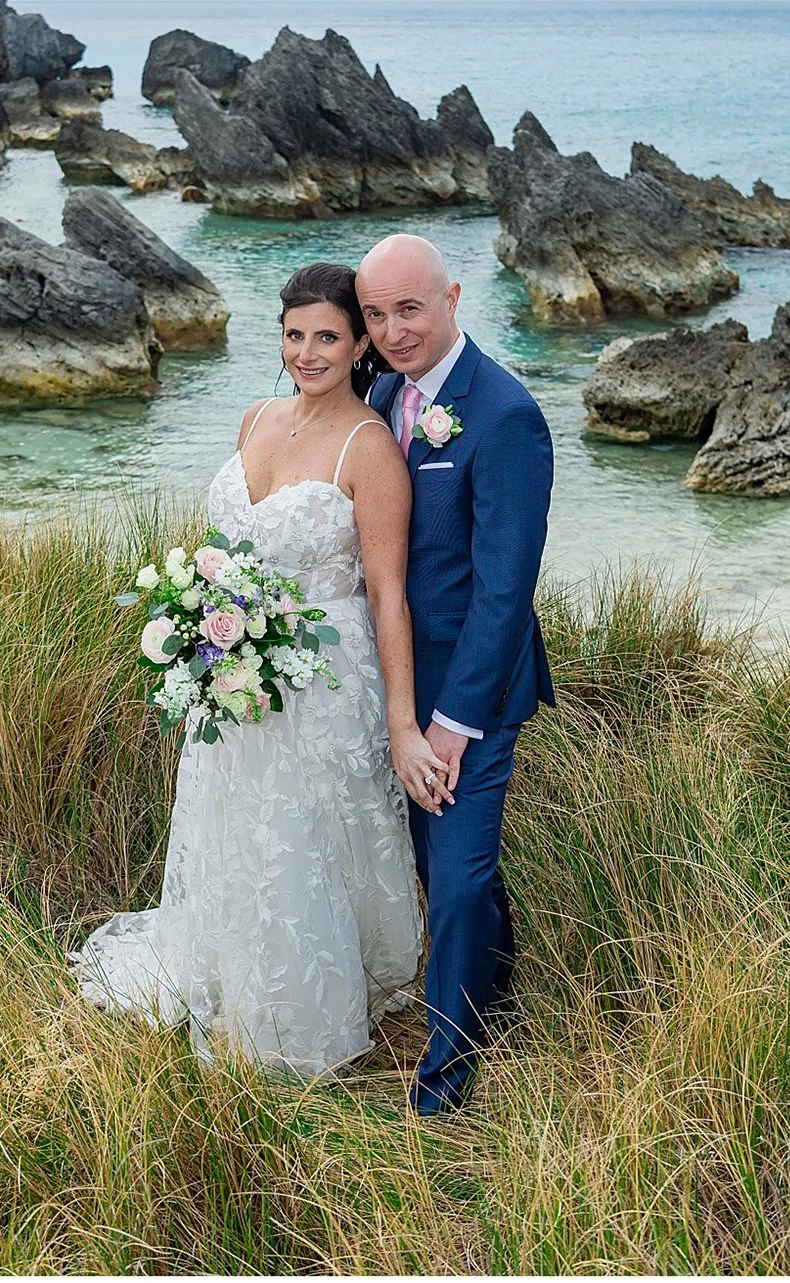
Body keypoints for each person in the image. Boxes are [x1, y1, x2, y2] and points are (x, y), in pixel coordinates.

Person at [74, 262, 427, 1075]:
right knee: (232, 827)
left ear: (361, 343)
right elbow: (226, 553)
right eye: (295, 334)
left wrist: (403, 723)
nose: (307, 352)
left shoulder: (369, 450)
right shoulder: (254, 416)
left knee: (301, 837)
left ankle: (297, 1010)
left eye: (328, 337)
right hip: (228, 674)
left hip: (323, 683)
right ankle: (221, 971)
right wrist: (201, 617)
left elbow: (389, 598)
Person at [356, 232, 556, 1117]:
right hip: (391, 680)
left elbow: (505, 591)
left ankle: (447, 1076)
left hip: (472, 690)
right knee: (439, 870)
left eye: (409, 309)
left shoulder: (505, 415)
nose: (393, 331)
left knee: (462, 872)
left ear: (453, 299)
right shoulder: (382, 393)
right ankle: (499, 994)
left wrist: (452, 723)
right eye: (375, 314)